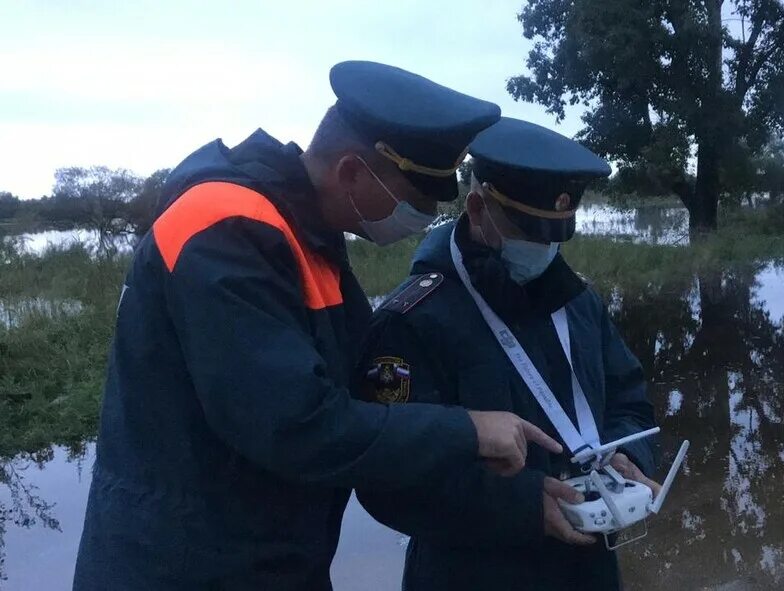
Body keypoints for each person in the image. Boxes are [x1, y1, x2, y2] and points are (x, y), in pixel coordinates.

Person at [72, 62, 562, 591]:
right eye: (416, 201)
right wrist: (466, 430)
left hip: (269, 554)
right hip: (187, 564)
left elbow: (353, 396)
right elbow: (296, 425)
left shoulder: (308, 235)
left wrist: (485, 472)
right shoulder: (226, 230)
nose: (421, 218)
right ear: (352, 173)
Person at [355, 117, 659, 591]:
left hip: (589, 568)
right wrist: (521, 506)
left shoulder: (578, 302)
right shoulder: (411, 320)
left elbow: (629, 398)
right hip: (474, 572)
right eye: (531, 234)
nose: (544, 251)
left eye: (554, 236)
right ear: (478, 208)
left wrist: (628, 457)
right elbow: (388, 479)